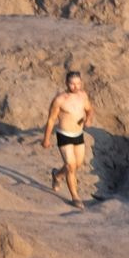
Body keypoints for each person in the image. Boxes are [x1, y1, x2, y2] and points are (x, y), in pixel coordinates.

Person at [43, 72, 95, 205]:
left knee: (77, 164)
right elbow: (51, 120)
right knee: (71, 166)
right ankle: (75, 197)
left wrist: (88, 119)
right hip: (64, 135)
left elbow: (89, 110)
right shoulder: (60, 100)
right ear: (66, 83)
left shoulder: (83, 96)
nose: (75, 86)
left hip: (78, 135)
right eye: (72, 83)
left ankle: (57, 175)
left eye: (78, 83)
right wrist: (46, 139)